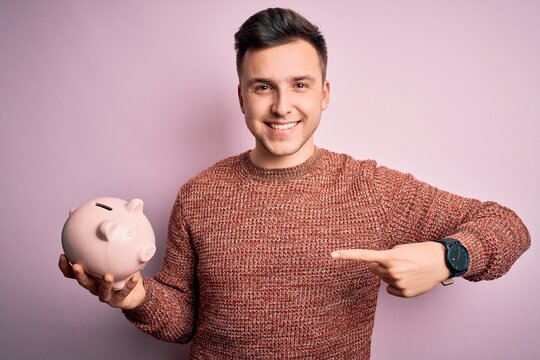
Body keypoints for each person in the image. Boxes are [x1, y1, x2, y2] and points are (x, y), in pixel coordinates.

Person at [59, 7, 530, 359]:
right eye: (263, 86)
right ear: (241, 96)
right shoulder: (198, 194)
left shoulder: (370, 189)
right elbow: (185, 321)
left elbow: (509, 227)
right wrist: (134, 295)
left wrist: (448, 257)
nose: (282, 106)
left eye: (300, 85)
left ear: (324, 94)